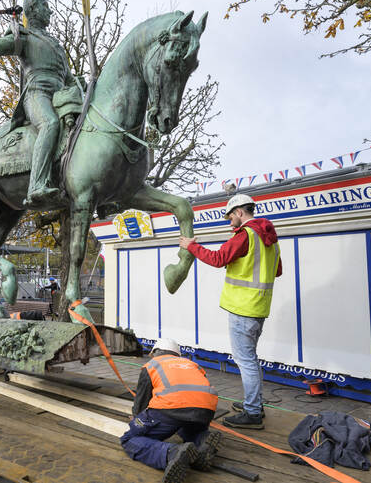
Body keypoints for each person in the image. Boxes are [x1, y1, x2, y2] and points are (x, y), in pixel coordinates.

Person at [179, 194, 282, 429]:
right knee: (251, 359)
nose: (229, 222)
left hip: (242, 308)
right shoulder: (270, 238)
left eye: (230, 217)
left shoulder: (246, 234)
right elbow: (277, 270)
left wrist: (190, 246)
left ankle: (253, 413)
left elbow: (217, 259)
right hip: (258, 307)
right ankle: (253, 404)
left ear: (239, 212)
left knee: (245, 361)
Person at [0, 0, 74, 207]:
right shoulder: (24, 36)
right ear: (34, 10)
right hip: (37, 94)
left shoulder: (55, 45)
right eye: (46, 6)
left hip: (60, 96)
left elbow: (69, 78)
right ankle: (37, 185)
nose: (50, 11)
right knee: (50, 124)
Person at [121, 338, 222, 483]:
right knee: (184, 427)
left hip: (171, 409)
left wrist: (137, 421)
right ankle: (202, 439)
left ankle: (171, 453)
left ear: (155, 352)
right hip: (205, 411)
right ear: (177, 354)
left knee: (130, 439)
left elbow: (141, 404)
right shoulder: (193, 365)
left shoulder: (152, 365)